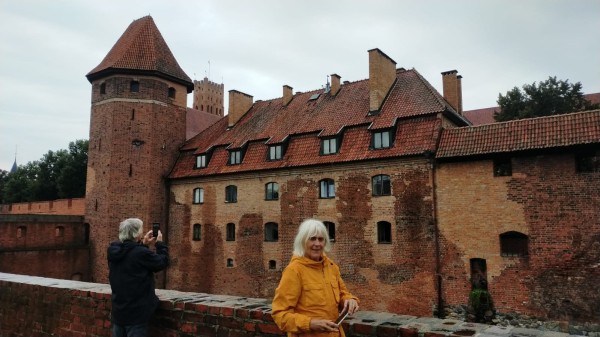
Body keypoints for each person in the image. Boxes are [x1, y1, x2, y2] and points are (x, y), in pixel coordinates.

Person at [272, 219, 359, 337]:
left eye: (321, 239)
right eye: (312, 239)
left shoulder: (331, 266)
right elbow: (280, 314)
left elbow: (343, 293)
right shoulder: (294, 270)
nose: (317, 244)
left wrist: (350, 301)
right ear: (302, 241)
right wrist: (310, 324)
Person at [107, 218, 169, 337]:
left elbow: (131, 259)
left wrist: (143, 245)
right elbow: (162, 262)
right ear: (136, 234)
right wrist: (160, 244)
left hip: (119, 312)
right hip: (136, 314)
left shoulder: (114, 251)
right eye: (140, 230)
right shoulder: (140, 253)